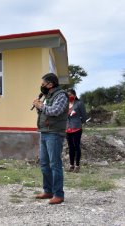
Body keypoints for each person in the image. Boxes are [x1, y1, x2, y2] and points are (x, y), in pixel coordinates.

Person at [32, 73, 68, 205]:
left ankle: (58, 194)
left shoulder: (61, 95)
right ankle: (48, 191)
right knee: (44, 164)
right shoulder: (48, 96)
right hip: (44, 132)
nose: (42, 86)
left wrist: (41, 105)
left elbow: (55, 111)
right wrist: (38, 106)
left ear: (51, 84)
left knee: (55, 164)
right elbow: (45, 113)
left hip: (54, 133)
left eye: (43, 84)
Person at [66, 88, 87, 173]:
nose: (69, 96)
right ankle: (71, 165)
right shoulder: (66, 104)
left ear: (74, 95)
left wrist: (79, 122)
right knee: (70, 147)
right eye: (67, 95)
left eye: (70, 95)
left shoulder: (79, 103)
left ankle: (77, 165)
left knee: (76, 146)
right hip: (68, 128)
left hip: (77, 128)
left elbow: (84, 116)